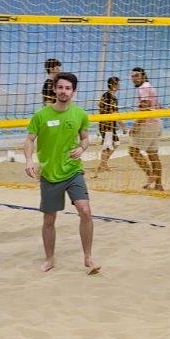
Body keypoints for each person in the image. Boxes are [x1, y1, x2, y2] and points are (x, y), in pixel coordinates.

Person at [24, 71, 100, 274]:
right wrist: (29, 160)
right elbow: (29, 140)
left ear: (74, 91)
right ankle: (49, 259)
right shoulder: (41, 115)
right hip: (50, 174)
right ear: (54, 89)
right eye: (60, 87)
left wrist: (82, 148)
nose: (63, 91)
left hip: (73, 171)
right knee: (49, 220)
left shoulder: (80, 114)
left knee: (85, 211)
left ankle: (88, 257)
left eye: (68, 88)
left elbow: (85, 138)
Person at [127, 67, 164, 190]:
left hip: (148, 124)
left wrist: (136, 125)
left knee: (133, 151)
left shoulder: (143, 88)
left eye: (137, 75)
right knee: (153, 155)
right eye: (132, 76)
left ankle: (150, 174)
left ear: (143, 76)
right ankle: (158, 185)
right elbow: (158, 106)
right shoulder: (150, 87)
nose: (134, 78)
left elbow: (145, 108)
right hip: (157, 123)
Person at [96, 76, 121, 174]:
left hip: (109, 124)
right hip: (107, 125)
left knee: (114, 144)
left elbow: (100, 105)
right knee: (109, 145)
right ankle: (102, 165)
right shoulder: (109, 96)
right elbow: (114, 112)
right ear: (113, 85)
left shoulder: (109, 96)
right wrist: (122, 125)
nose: (119, 85)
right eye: (117, 84)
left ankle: (103, 163)